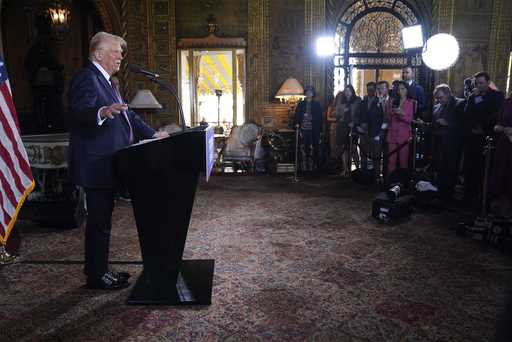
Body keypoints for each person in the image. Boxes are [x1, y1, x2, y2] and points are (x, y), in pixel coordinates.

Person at [68, 32, 169, 290]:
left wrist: (154, 134)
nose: (120, 57)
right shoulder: (87, 78)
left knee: (103, 221)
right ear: (98, 53)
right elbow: (79, 112)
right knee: (99, 223)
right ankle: (96, 276)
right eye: (116, 52)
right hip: (96, 164)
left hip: (110, 163)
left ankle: (100, 270)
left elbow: (128, 117)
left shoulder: (110, 83)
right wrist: (102, 111)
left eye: (121, 53)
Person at [463, 71, 504, 208]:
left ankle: (483, 201)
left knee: (484, 171)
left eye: (481, 83)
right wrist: (474, 98)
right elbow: (467, 114)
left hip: (488, 138)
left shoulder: (497, 96)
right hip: (472, 138)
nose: (478, 85)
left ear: (488, 82)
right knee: (470, 169)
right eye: (476, 83)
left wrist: (483, 127)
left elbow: (496, 115)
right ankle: (468, 198)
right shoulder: (472, 96)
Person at [431, 84, 465, 200]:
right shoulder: (436, 107)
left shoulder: (460, 104)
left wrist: (448, 124)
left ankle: (448, 197)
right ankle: (440, 194)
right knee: (439, 171)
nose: (439, 100)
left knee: (450, 171)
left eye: (440, 97)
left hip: (452, 145)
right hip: (438, 144)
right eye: (437, 98)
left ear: (448, 94)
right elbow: (434, 124)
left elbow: (463, 125)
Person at [489, 93, 512, 215]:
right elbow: (498, 122)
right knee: (501, 173)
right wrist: (501, 128)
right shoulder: (507, 102)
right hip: (504, 144)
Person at [386, 81, 414, 178]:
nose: (400, 91)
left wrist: (402, 114)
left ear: (407, 90)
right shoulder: (394, 101)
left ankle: (402, 183)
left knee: (403, 161)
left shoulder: (410, 103)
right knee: (391, 160)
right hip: (392, 134)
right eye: (398, 89)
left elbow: (410, 120)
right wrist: (391, 112)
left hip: (404, 136)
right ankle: (389, 182)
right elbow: (388, 119)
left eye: (403, 89)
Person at [294, 85, 323, 172]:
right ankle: (304, 166)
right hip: (303, 129)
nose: (308, 93)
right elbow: (297, 115)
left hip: (314, 129)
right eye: (307, 92)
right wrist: (297, 124)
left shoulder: (317, 104)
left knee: (313, 148)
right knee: (303, 147)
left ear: (313, 93)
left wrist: (310, 117)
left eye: (310, 92)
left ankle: (313, 166)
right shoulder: (301, 103)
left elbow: (320, 117)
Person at [335, 84, 362, 177]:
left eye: (348, 91)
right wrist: (341, 114)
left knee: (354, 148)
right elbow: (336, 113)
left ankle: (358, 169)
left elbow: (360, 114)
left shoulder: (357, 100)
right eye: (345, 91)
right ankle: (345, 169)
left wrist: (354, 122)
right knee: (344, 149)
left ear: (352, 91)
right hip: (343, 127)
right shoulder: (341, 100)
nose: (347, 93)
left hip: (353, 127)